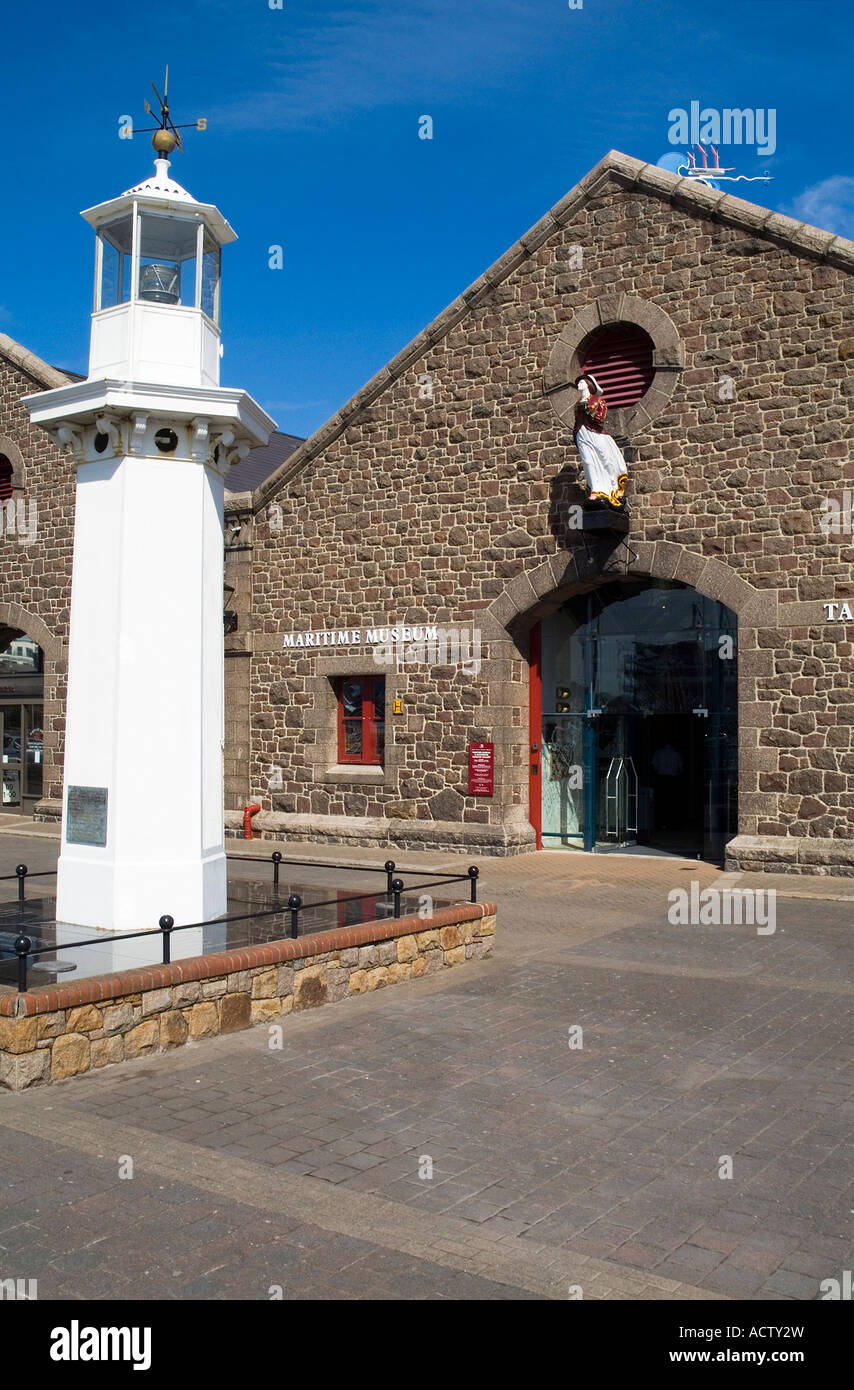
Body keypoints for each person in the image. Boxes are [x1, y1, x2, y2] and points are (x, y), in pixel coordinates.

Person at [573, 373, 629, 510]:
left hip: (596, 434)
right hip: (582, 434)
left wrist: (587, 411)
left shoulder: (598, 401)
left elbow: (601, 418)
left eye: (581, 382)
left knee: (606, 459)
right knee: (588, 462)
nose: (579, 384)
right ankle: (596, 490)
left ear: (588, 384)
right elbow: (577, 421)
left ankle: (613, 489)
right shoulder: (577, 404)